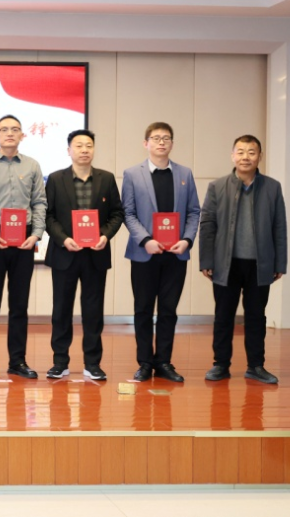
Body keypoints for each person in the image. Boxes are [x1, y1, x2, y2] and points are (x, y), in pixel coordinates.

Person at [199, 134, 287, 384]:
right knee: (223, 316)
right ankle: (220, 365)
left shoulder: (272, 187)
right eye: (240, 151)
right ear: (232, 155)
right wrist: (206, 260)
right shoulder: (217, 186)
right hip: (225, 263)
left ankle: (256, 366)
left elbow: (279, 227)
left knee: (256, 317)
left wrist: (279, 263)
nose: (245, 157)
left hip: (260, 264)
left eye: (251, 152)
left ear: (260, 156)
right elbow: (207, 224)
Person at [121, 121, 200, 383]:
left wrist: (187, 239)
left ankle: (164, 361)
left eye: (166, 138)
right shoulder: (132, 174)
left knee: (168, 310)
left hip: (176, 254)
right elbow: (128, 213)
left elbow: (194, 212)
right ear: (146, 143)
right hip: (145, 253)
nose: (161, 142)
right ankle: (144, 362)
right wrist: (145, 240)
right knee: (143, 310)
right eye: (156, 138)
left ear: (172, 144)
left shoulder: (185, 174)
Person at [44, 129, 124, 381]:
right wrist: (63, 239)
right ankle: (60, 362)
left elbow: (117, 213)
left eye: (88, 145)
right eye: (78, 145)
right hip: (65, 253)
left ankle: (92, 363)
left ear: (94, 149)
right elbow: (48, 215)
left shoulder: (106, 179)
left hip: (95, 255)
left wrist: (105, 236)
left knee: (93, 311)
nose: (84, 150)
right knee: (61, 310)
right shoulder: (55, 179)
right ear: (69, 150)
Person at [0, 115, 47, 380]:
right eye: (4, 129)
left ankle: (18, 361)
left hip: (24, 240)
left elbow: (39, 202)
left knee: (19, 305)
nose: (9, 133)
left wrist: (36, 234)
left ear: (22, 135)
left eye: (15, 129)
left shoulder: (32, 165)